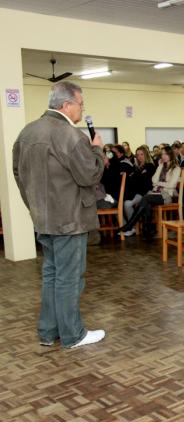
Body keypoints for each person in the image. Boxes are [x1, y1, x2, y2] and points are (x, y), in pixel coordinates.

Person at [12, 81, 106, 348]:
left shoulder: (27, 132)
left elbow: (19, 174)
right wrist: (97, 148)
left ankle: (48, 331)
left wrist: (34, 206)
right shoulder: (70, 135)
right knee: (69, 277)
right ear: (66, 105)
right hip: (70, 219)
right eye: (80, 104)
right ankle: (73, 334)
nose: (82, 109)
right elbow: (90, 174)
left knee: (52, 274)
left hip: (43, 218)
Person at [119, 146, 181, 237]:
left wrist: (159, 183)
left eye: (166, 154)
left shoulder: (176, 168)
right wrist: (160, 167)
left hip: (167, 195)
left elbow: (172, 185)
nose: (163, 156)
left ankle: (130, 225)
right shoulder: (161, 166)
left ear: (171, 155)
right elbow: (153, 180)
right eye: (162, 154)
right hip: (156, 193)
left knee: (145, 198)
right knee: (146, 203)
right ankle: (148, 230)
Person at [122, 145, 156, 236]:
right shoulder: (136, 166)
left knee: (127, 204)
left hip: (144, 192)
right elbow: (133, 179)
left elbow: (142, 180)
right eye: (138, 155)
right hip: (135, 192)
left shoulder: (150, 166)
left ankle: (131, 227)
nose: (139, 157)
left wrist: (135, 176)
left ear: (146, 155)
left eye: (142, 154)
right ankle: (131, 227)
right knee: (123, 202)